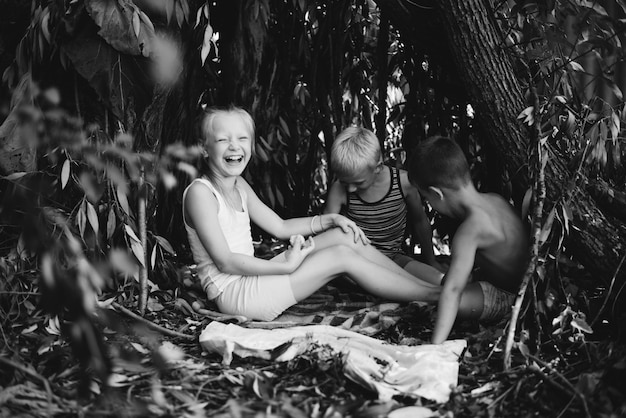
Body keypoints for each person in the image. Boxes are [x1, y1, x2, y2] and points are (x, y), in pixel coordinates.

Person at [182, 106, 442, 321]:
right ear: (204, 148)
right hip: (236, 294)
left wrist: (329, 220)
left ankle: (426, 289)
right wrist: (287, 265)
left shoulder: (239, 185)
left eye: (242, 139)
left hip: (253, 278)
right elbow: (226, 262)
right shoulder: (201, 193)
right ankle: (436, 296)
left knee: (345, 236)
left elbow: (281, 227)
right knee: (341, 256)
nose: (234, 147)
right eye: (222, 140)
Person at [407, 136, 529, 344]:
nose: (429, 204)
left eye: (426, 198)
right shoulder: (496, 200)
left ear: (437, 193)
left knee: (448, 297)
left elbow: (453, 291)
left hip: (513, 300)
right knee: (449, 283)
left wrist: (434, 347)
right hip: (532, 289)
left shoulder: (469, 230)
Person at [325, 127, 443, 283]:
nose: (351, 188)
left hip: (394, 259)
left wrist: (431, 261)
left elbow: (420, 221)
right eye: (346, 182)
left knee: (439, 280)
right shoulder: (339, 189)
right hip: (355, 261)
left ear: (377, 168)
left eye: (358, 182)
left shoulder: (403, 183)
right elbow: (325, 229)